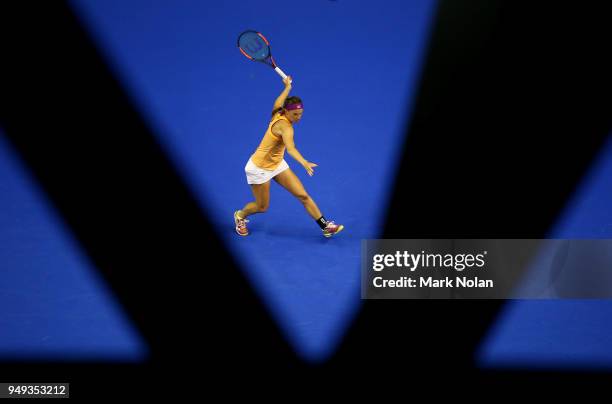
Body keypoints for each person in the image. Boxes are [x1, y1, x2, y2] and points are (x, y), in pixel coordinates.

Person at [234, 75, 344, 238]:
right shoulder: (285, 127)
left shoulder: (278, 110)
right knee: (262, 207)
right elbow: (291, 149)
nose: (299, 118)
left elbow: (279, 100)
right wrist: (304, 162)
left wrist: (287, 88)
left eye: (301, 114)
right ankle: (240, 216)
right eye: (295, 115)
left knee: (303, 195)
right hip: (259, 168)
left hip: (277, 164)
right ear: (287, 112)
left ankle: (325, 226)